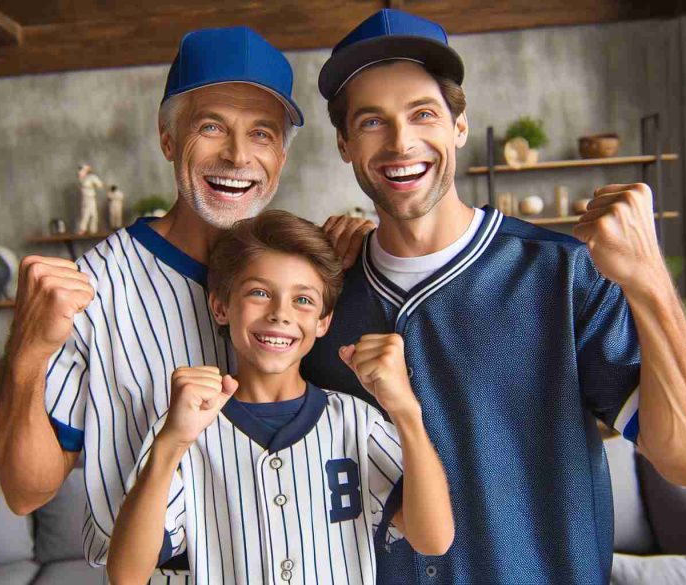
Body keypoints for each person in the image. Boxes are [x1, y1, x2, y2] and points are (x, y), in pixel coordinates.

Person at [303, 9, 686, 584]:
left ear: (458, 126)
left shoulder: (562, 273)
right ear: (346, 145)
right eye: (373, 122)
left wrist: (648, 277)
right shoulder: (321, 300)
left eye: (423, 114)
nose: (401, 142)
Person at [0, 26, 370, 577]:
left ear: (280, 157)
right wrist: (25, 351)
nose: (237, 155)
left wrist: (359, 258)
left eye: (261, 134)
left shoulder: (308, 266)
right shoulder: (97, 286)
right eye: (211, 127)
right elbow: (25, 492)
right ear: (167, 139)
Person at [106, 210, 453, 584]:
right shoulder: (183, 426)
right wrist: (171, 443)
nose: (280, 315)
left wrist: (405, 411)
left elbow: (433, 539)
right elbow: (126, 575)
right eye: (259, 293)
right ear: (221, 307)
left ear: (323, 321)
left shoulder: (357, 420)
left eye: (303, 300)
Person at [76, 164, 104, 234]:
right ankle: (83, 229)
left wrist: (94, 185)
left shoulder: (92, 177)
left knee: (93, 214)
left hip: (91, 196)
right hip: (87, 196)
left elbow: (99, 184)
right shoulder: (83, 176)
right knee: (86, 212)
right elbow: (81, 176)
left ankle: (93, 230)